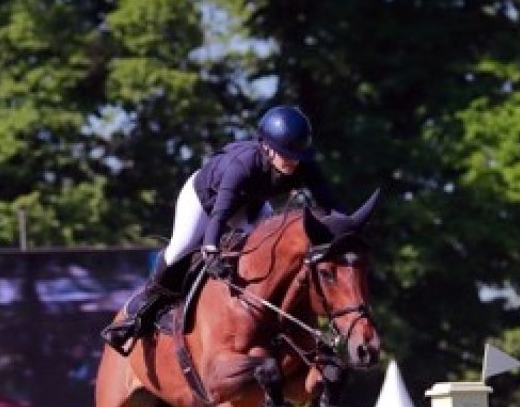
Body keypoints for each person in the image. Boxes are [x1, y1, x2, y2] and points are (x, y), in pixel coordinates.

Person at [101, 104, 345, 354]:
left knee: (270, 246)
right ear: (267, 148)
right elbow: (220, 212)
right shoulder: (241, 165)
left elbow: (329, 201)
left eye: (298, 156)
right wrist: (210, 247)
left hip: (250, 203)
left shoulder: (301, 163)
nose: (294, 162)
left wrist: (346, 226)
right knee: (179, 249)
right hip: (205, 200)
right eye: (287, 155)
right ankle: (139, 313)